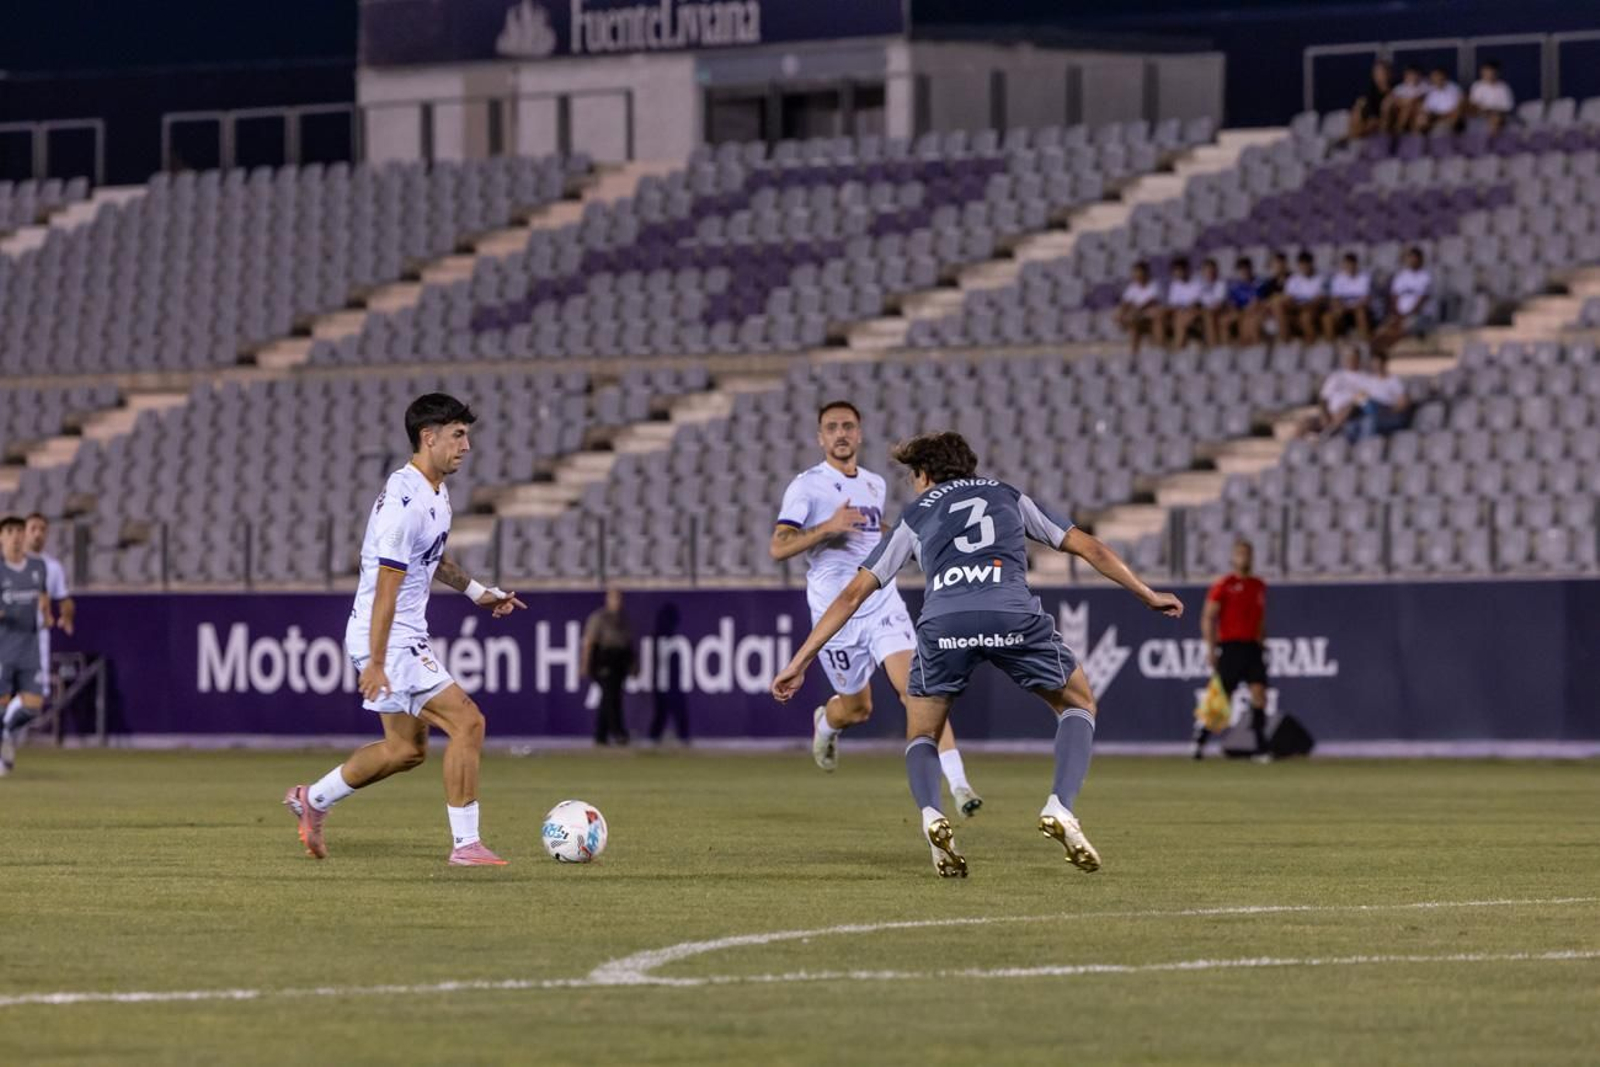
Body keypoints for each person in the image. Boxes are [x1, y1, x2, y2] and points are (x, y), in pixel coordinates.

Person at [772, 432, 1183, 877]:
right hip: (1011, 615)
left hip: (945, 622)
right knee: (1078, 703)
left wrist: (800, 660)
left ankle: (932, 816)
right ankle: (1060, 806)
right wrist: (1145, 593)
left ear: (925, 475)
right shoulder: (1006, 495)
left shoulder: (917, 513)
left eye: (913, 477)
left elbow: (853, 594)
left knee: (923, 733)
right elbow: (1090, 547)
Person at [283, 394, 527, 866]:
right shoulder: (403, 502)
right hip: (390, 636)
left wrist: (479, 592)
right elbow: (386, 588)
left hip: (396, 634)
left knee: (404, 749)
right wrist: (376, 662)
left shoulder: (434, 492)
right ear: (428, 437)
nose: (467, 445)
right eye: (458, 435)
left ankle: (313, 799)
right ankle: (466, 845)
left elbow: (431, 558)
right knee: (468, 722)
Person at [770, 401, 983, 815]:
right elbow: (779, 546)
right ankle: (826, 724)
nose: (840, 433)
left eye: (847, 426)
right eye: (831, 427)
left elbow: (874, 533)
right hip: (837, 613)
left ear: (860, 433)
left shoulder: (874, 484)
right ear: (820, 438)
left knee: (916, 689)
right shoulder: (806, 487)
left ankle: (960, 786)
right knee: (858, 708)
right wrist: (827, 528)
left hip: (881, 600)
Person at [3, 513, 73, 744]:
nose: (37, 534)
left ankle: (5, 733)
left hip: (33, 642)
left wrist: (57, 616)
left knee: (35, 700)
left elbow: (55, 598)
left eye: (42, 529)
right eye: (32, 528)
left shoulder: (45, 567)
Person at [1196, 539, 1269, 762]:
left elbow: (1260, 619)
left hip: (1252, 647)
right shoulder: (1223, 585)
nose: (1243, 558)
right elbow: (1208, 617)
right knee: (1222, 697)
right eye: (1239, 553)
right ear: (1232, 558)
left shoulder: (1258, 585)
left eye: (1247, 553)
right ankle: (1200, 740)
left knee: (1259, 694)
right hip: (1231, 646)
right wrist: (1210, 647)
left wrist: (1262, 641)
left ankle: (1260, 746)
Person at [0, 516, 52, 776]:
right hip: (3, 648)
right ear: (1, 537)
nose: (16, 536)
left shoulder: (37, 566)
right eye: (9, 531)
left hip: (29, 647)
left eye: (19, 530)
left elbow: (42, 594)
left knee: (34, 706)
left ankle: (8, 729)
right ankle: (3, 751)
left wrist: (47, 609)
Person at [582, 586, 635, 746]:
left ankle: (601, 735)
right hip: (604, 660)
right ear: (607, 599)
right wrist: (585, 664)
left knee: (611, 697)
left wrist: (633, 664)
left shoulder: (623, 619)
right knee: (610, 697)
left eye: (619, 598)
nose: (617, 602)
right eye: (614, 598)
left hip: (620, 661)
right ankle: (617, 731)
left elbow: (628, 644)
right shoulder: (600, 618)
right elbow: (590, 642)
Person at [1373, 245, 1433, 354]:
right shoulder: (1401, 276)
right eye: (1411, 258)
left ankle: (1384, 349)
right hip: (1400, 313)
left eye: (1415, 258)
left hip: (1417, 314)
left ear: (1421, 260)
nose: (1412, 261)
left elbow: (1421, 300)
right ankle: (1376, 347)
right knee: (1384, 328)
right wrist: (1396, 313)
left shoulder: (1426, 277)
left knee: (1403, 328)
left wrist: (1406, 315)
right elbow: (1394, 297)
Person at [1116, 260, 1165, 352]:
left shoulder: (1155, 284)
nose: (1137, 275)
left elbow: (1152, 301)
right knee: (1131, 324)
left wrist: (1137, 310)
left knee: (1155, 315)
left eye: (1139, 272)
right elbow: (1125, 302)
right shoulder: (1133, 286)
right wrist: (1120, 313)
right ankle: (1134, 354)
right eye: (1135, 273)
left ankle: (1159, 349)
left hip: (1151, 314)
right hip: (1139, 316)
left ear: (1145, 273)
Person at [1322, 252, 1373, 341]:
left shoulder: (1364, 278)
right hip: (1343, 309)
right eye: (1347, 264)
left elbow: (1365, 299)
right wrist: (1341, 307)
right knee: (1327, 318)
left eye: (1352, 264)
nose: (1350, 267)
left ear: (1356, 264)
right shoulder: (1338, 278)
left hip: (1357, 309)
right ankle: (1330, 345)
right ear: (1344, 264)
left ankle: (1365, 341)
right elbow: (1335, 299)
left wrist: (1349, 307)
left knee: (1360, 313)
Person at [1163, 256, 1207, 351]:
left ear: (1186, 269)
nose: (1177, 273)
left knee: (1182, 318)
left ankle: (1178, 348)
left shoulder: (1197, 281)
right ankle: (1165, 348)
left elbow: (1198, 302)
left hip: (1198, 311)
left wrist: (1185, 310)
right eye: (1175, 271)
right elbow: (1173, 304)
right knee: (1171, 316)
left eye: (1179, 270)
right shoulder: (1175, 284)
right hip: (1182, 313)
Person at [1283, 250, 1327, 340]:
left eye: (1307, 264)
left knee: (1306, 317)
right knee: (1278, 305)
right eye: (1302, 264)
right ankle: (1285, 342)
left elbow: (1320, 299)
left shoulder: (1321, 278)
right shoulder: (1293, 279)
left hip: (1314, 308)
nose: (1305, 267)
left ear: (1312, 264)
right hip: (1297, 308)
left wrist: (1304, 306)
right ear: (1299, 265)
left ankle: (1311, 343)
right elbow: (1289, 299)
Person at [1349, 59, 1395, 140]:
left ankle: (1350, 137)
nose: (1378, 76)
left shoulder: (1396, 90)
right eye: (1376, 73)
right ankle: (1352, 137)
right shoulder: (1371, 93)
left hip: (1391, 125)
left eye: (1381, 73)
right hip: (1373, 123)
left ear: (1389, 74)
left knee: (1373, 122)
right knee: (1358, 108)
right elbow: (1370, 112)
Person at [1466, 60, 1514, 133]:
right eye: (1486, 72)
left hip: (1498, 115)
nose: (1488, 74)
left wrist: (1493, 111)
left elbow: (1508, 106)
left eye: (1491, 72)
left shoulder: (1504, 87)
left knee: (1495, 118)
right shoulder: (1477, 86)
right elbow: (1473, 104)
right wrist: (1483, 110)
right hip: (1481, 114)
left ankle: (1490, 141)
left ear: (1496, 73)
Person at [1221, 256, 1262, 343]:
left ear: (1251, 269)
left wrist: (1242, 313)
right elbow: (1232, 304)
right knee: (1224, 321)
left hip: (1254, 311)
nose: (1244, 272)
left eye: (1246, 269)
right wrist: (1236, 311)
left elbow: (1256, 302)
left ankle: (1255, 347)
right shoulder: (1235, 286)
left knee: (1248, 321)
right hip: (1240, 312)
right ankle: (1226, 349)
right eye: (1241, 270)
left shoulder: (1258, 283)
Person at [1416, 67, 1463, 133]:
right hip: (1434, 116)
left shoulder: (1454, 89)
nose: (1436, 79)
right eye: (1434, 77)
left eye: (1438, 76)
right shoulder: (1430, 90)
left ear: (1444, 76)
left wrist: (1443, 116)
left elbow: (1456, 108)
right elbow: (1426, 108)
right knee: (1421, 118)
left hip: (1449, 115)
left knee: (1455, 116)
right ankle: (1420, 140)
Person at [1197, 257, 1228, 347]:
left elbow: (1219, 303)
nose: (1210, 273)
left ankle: (1213, 346)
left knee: (1209, 316)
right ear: (1203, 271)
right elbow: (1196, 300)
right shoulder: (1199, 283)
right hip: (1200, 310)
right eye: (1207, 270)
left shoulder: (1221, 283)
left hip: (1216, 310)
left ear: (1216, 271)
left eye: (1212, 270)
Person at [1388, 65, 1428, 133]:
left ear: (1419, 75)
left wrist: (1409, 102)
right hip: (1400, 111)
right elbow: (1393, 100)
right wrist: (1405, 102)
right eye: (1410, 74)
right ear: (1405, 75)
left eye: (1414, 74)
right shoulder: (1399, 88)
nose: (1413, 77)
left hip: (1418, 111)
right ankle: (1397, 131)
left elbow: (1419, 99)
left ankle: (1413, 132)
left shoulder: (1424, 85)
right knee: (1406, 109)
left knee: (1412, 109)